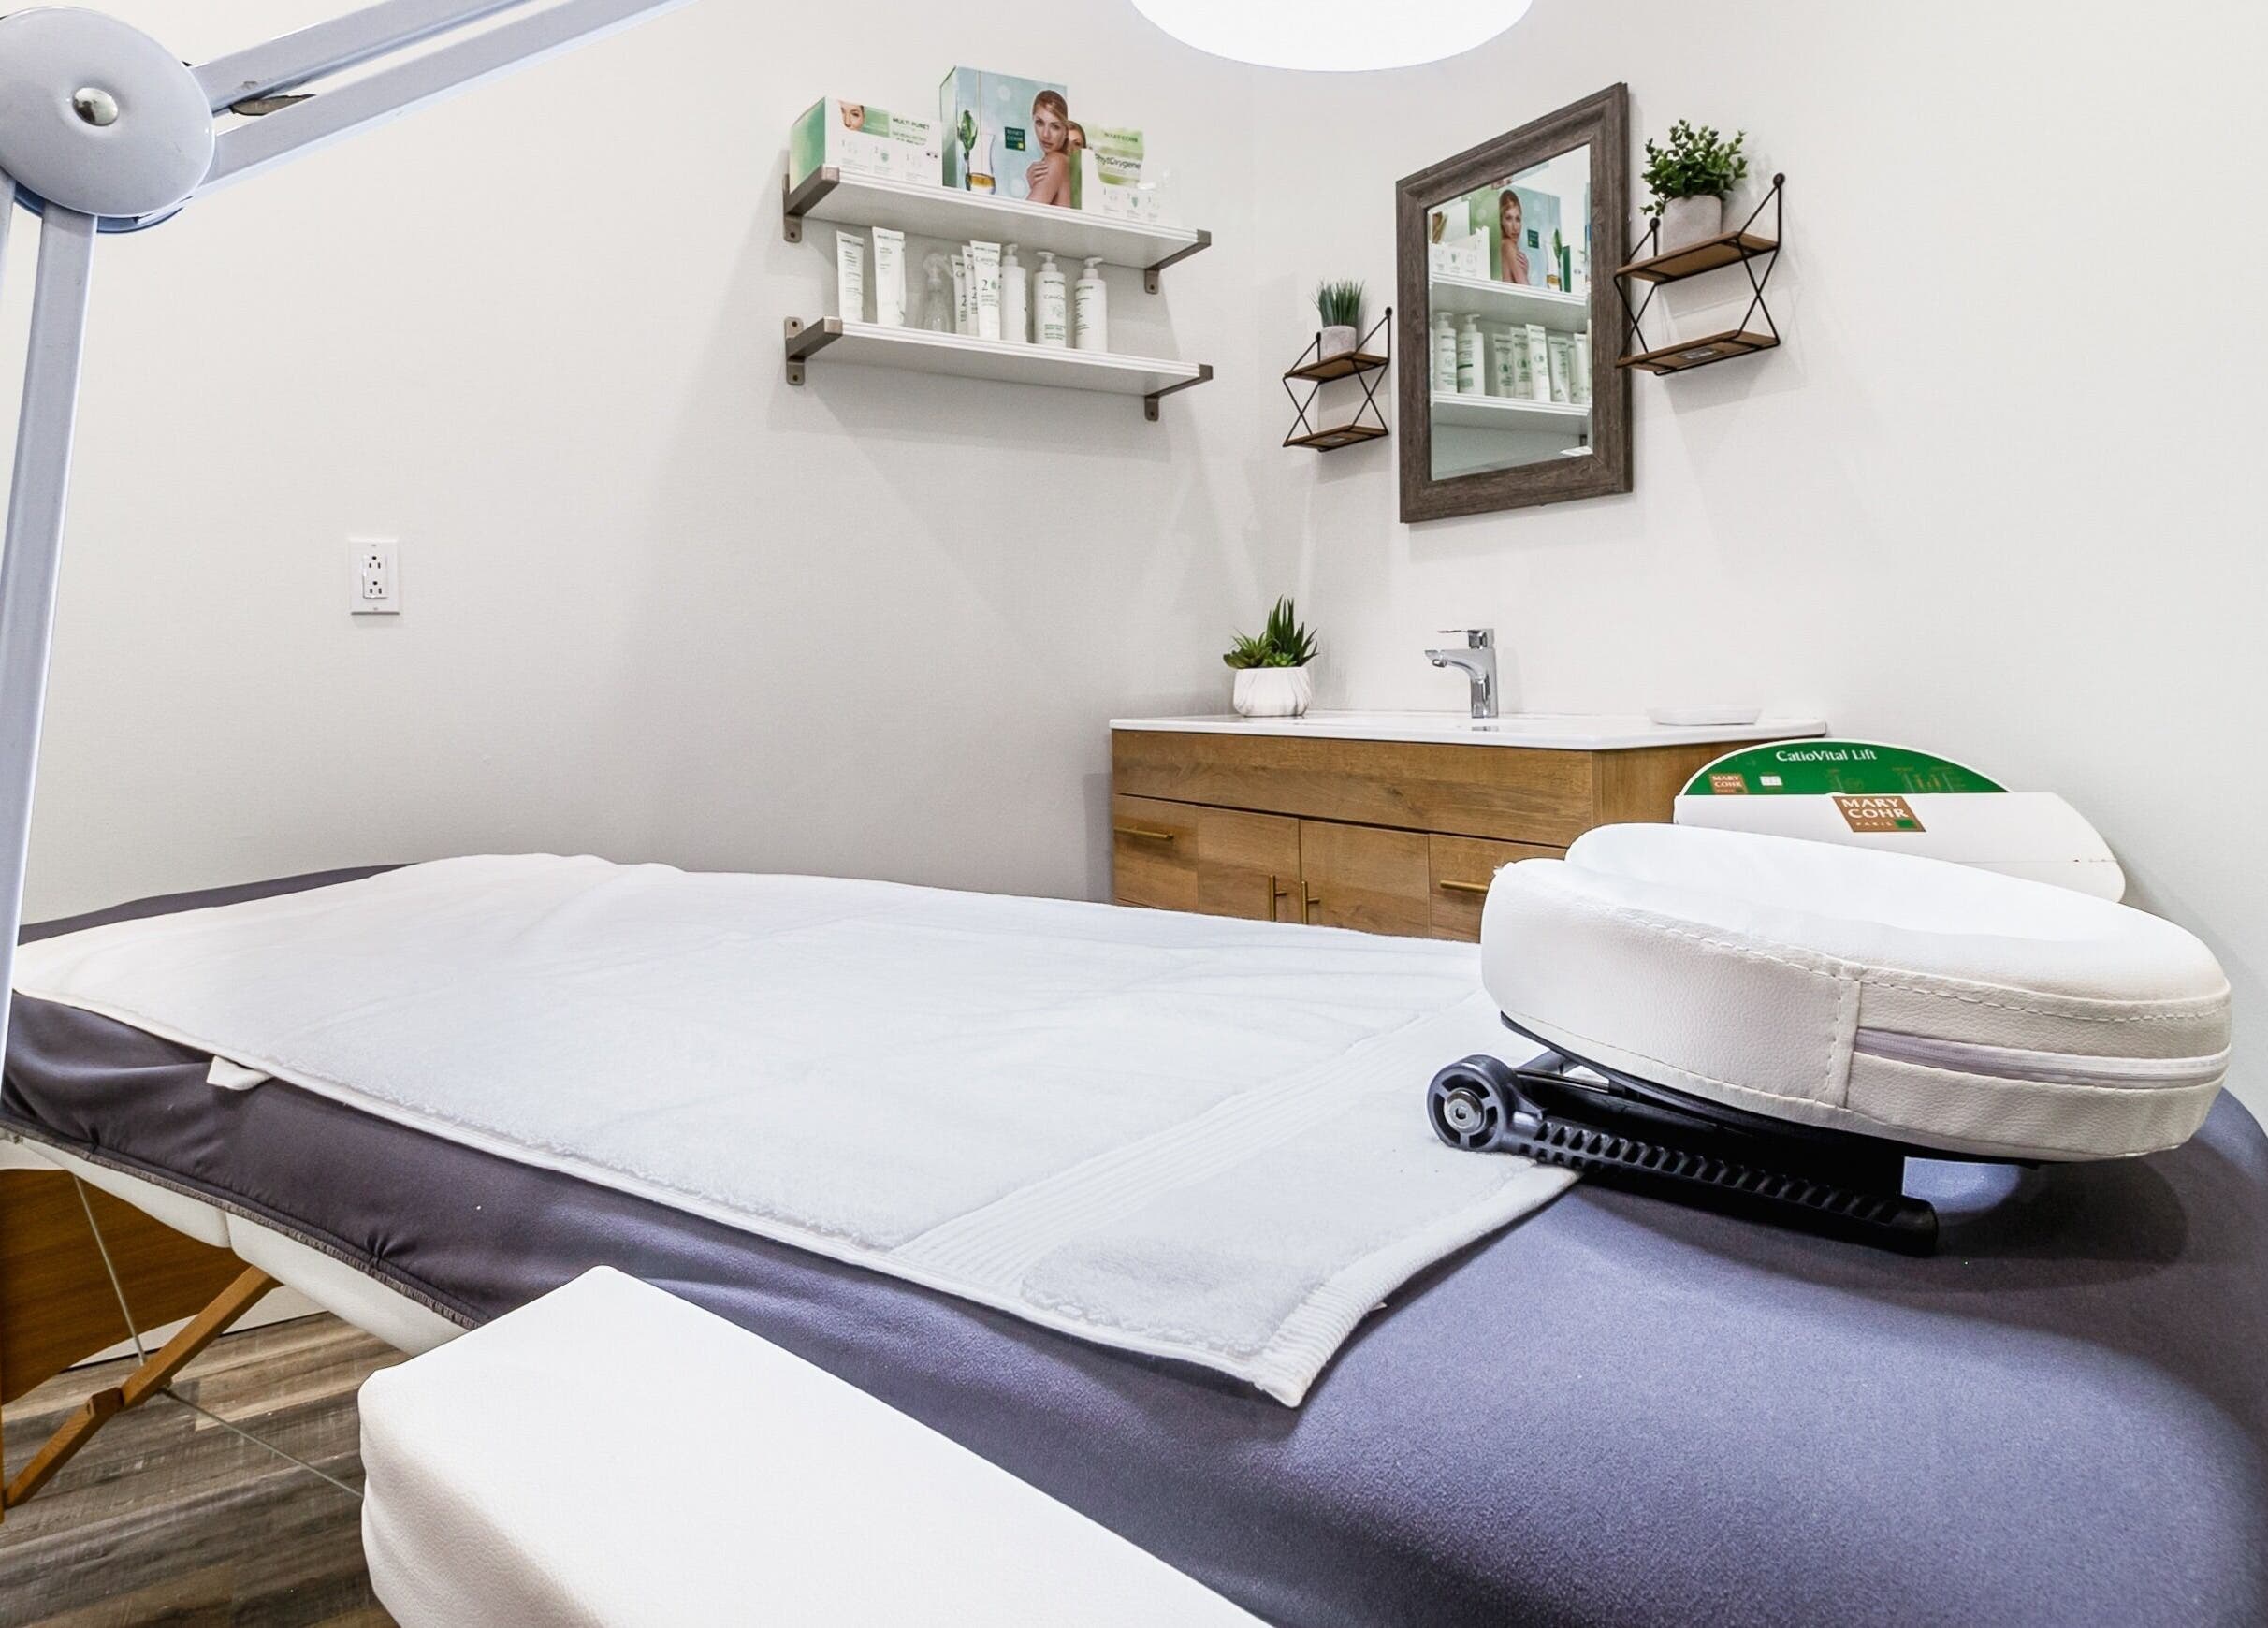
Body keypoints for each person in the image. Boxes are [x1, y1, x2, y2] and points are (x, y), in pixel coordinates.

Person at [1025, 91, 1073, 208]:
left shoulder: (1055, 161)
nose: (1045, 134)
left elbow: (1023, 220)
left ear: (1066, 132)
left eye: (1055, 127)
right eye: (1040, 123)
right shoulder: (1068, 163)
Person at [1498, 189, 1531, 284]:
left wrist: (1524, 272)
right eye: (1508, 218)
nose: (1515, 227)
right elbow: (1528, 292)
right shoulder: (1508, 245)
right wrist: (1524, 275)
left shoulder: (1503, 246)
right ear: (1501, 221)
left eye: (1518, 219)